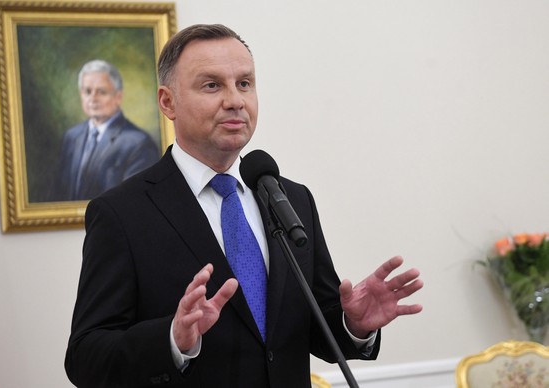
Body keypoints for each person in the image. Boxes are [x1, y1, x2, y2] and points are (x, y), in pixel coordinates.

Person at [65, 24, 424, 388]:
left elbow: (312, 329)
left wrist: (353, 324)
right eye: (212, 85)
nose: (235, 100)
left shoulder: (291, 198)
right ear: (167, 102)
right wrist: (172, 339)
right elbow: (85, 358)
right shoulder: (122, 213)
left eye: (245, 84)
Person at [51, 59, 159, 201]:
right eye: (87, 91)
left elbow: (136, 202)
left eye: (101, 92)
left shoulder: (138, 143)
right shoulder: (71, 137)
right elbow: (60, 193)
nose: (93, 98)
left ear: (118, 97)